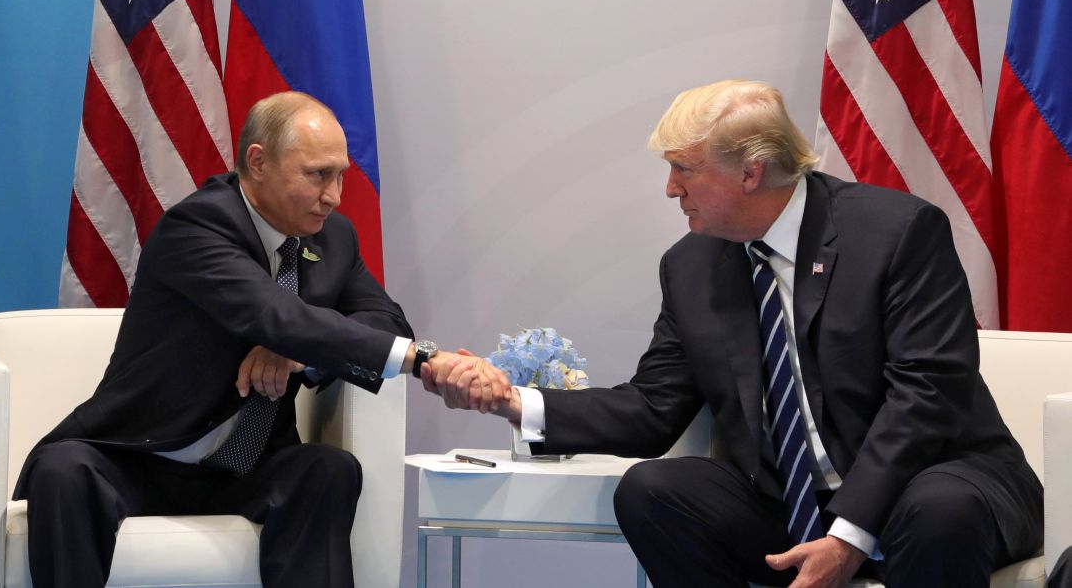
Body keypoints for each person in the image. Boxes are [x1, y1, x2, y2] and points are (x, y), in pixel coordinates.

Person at [425, 80, 1043, 587]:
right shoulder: (693, 264)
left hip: (932, 479)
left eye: (684, 170)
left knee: (940, 512)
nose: (671, 189)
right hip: (791, 503)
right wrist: (514, 402)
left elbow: (926, 394)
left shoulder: (897, 232)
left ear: (751, 173)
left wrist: (849, 534)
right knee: (656, 490)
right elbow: (653, 407)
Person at [15, 92, 502, 588]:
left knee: (327, 469)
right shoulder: (198, 225)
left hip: (248, 467)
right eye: (317, 174)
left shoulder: (333, 238)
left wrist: (296, 354)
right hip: (140, 457)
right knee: (64, 469)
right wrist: (423, 362)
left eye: (340, 176)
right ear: (258, 161)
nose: (333, 196)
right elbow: (272, 313)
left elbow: (387, 323)